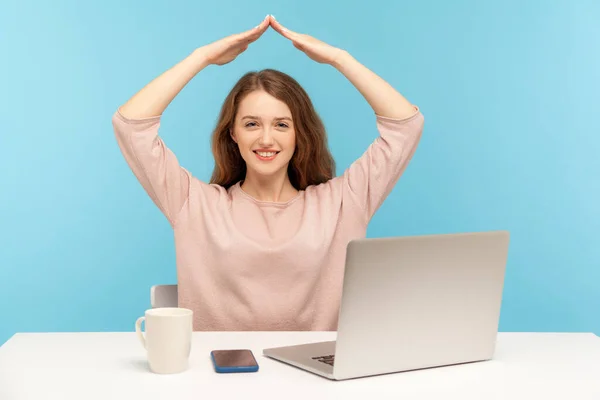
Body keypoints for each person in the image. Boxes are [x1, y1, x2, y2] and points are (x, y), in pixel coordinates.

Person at [112, 15, 425, 332]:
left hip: (315, 378)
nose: (265, 139)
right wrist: (202, 57)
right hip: (217, 377)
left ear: (298, 134)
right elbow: (130, 125)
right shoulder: (194, 204)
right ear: (233, 133)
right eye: (251, 124)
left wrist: (338, 58)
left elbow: (406, 126)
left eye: (281, 125)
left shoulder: (343, 203)